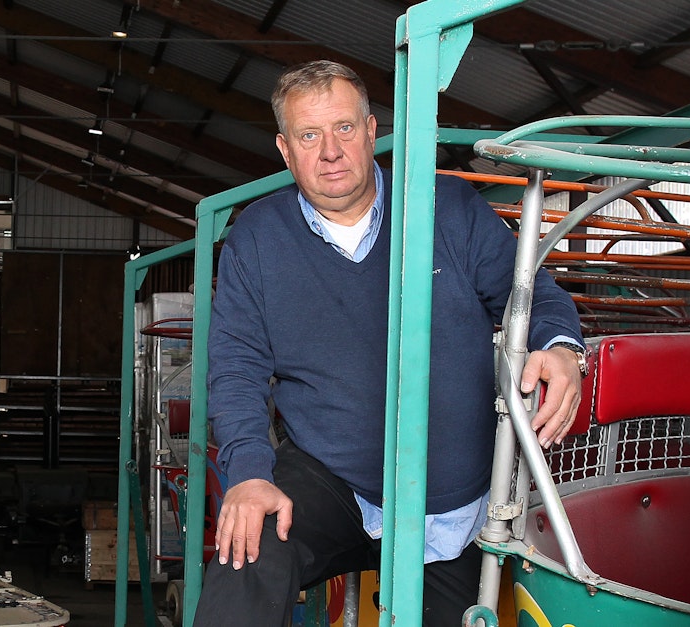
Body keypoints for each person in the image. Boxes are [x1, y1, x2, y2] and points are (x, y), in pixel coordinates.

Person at [201, 60, 584, 627]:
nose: (330, 152)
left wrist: (564, 350)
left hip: (451, 499)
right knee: (247, 549)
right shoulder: (256, 237)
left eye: (344, 128)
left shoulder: (447, 208)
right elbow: (237, 368)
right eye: (309, 136)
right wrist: (249, 475)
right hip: (332, 475)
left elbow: (534, 296)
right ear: (285, 150)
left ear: (371, 130)